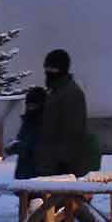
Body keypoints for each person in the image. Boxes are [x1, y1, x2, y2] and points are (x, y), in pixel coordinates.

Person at [34, 49, 92, 180]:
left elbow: (73, 130)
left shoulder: (70, 93)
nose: (48, 72)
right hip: (51, 162)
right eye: (47, 67)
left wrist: (63, 161)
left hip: (64, 166)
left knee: (66, 200)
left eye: (52, 68)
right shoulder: (55, 92)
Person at [12, 85, 47, 182]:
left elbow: (37, 145)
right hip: (25, 172)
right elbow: (23, 140)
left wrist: (20, 147)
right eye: (29, 105)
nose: (31, 108)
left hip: (38, 173)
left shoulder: (45, 122)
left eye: (34, 105)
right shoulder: (27, 121)